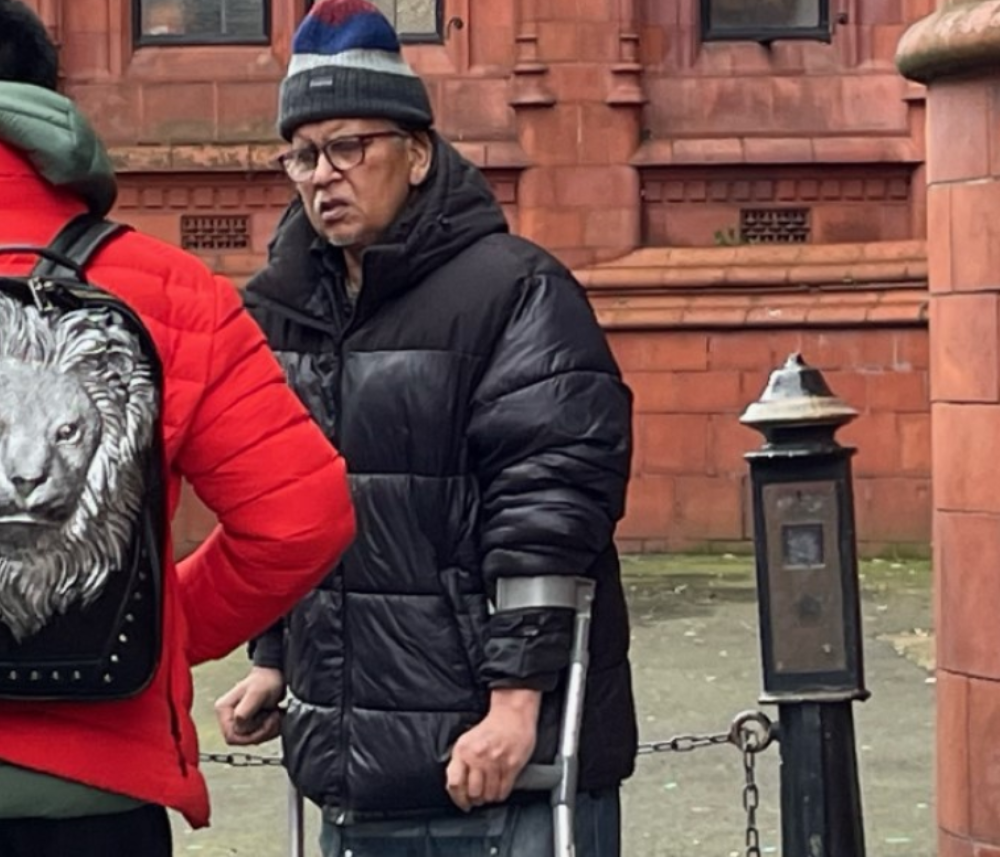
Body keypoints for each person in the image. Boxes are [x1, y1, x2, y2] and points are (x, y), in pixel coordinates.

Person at [216, 0, 637, 855]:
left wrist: (517, 700)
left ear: (415, 153)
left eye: (348, 146)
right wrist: (276, 658)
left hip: (495, 768)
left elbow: (551, 504)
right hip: (351, 768)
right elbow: (281, 505)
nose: (322, 174)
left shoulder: (514, 290)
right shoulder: (279, 311)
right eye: (302, 154)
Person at [0, 2, 356, 855]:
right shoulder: (168, 288)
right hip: (93, 804)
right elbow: (303, 519)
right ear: (55, 102)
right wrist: (153, 619)